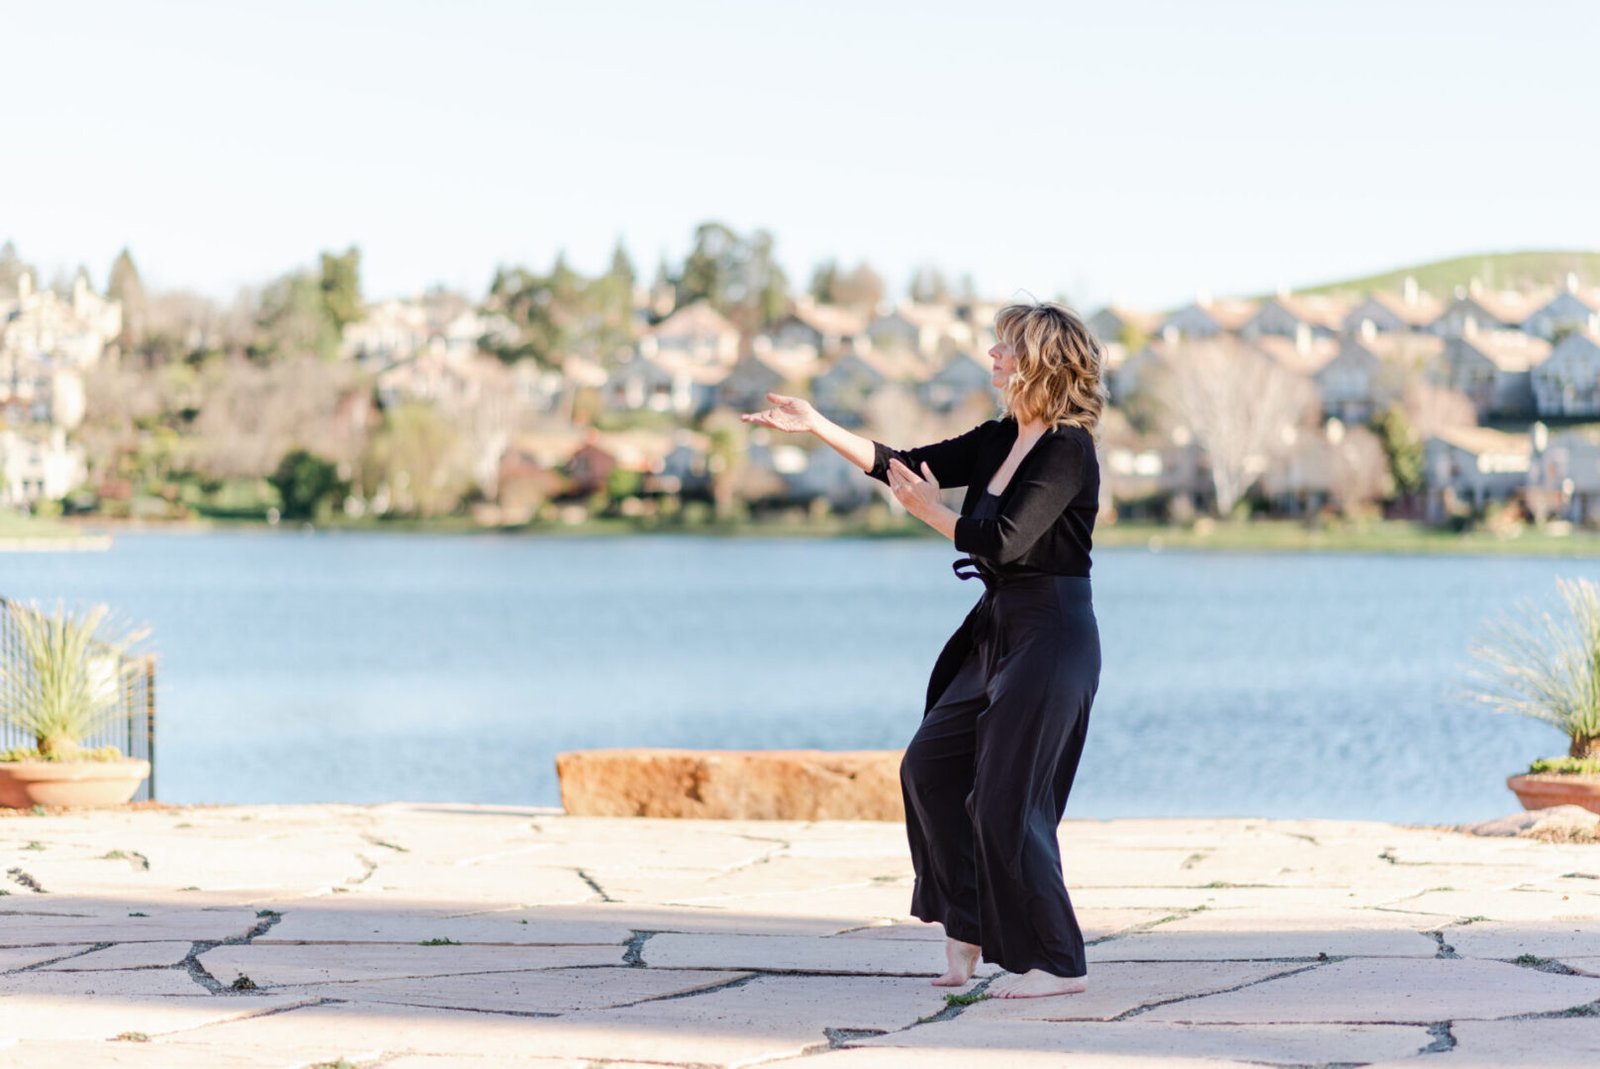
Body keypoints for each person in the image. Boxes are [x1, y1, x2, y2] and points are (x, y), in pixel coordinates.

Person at [741, 299, 1104, 999]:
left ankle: (1056, 961)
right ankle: (967, 928)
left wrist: (929, 511)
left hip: (1053, 634)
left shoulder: (1067, 448)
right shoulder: (1004, 437)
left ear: (1040, 360)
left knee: (1007, 800)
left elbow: (1002, 540)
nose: (993, 357)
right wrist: (817, 425)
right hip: (997, 629)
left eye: (1005, 348)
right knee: (931, 770)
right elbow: (904, 464)